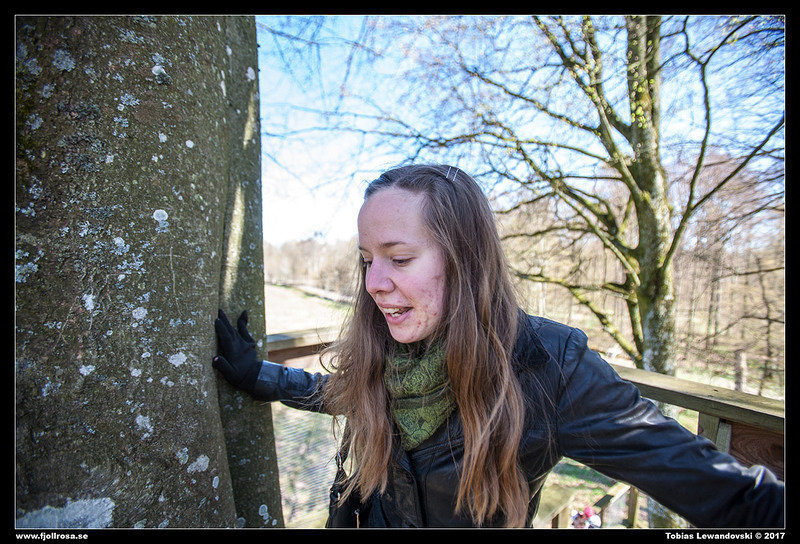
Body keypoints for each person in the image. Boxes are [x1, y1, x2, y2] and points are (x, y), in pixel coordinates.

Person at [212, 164, 784, 528]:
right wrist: (258, 375)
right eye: (367, 260)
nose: (373, 283)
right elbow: (341, 392)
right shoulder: (389, 348)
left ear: (465, 259)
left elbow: (727, 493)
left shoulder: (549, 368)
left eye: (400, 258)